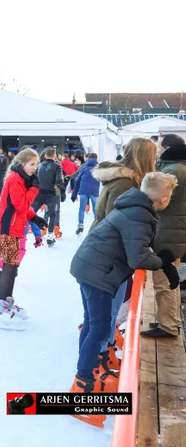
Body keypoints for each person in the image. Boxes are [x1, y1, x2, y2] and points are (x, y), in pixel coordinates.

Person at [69, 172, 178, 414]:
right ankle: (82, 384)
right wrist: (161, 262)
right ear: (164, 199)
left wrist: (161, 260)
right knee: (98, 328)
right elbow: (137, 256)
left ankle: (87, 370)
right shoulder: (139, 215)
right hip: (98, 273)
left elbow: (138, 247)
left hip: (90, 267)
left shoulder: (136, 207)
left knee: (92, 324)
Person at [0, 149, 48, 330]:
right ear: (22, 164)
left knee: (11, 268)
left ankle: (7, 302)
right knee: (9, 268)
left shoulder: (20, 179)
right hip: (7, 229)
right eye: (32, 165)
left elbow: (19, 206)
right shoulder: (15, 179)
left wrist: (34, 217)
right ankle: (0, 309)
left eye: (36, 165)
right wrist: (35, 189)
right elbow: (20, 205)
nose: (34, 169)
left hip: (14, 226)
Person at [144, 135, 186, 339]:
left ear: (167, 147)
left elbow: (159, 198)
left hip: (168, 232)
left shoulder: (173, 171)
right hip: (175, 231)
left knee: (164, 282)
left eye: (159, 146)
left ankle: (168, 325)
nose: (157, 149)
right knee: (171, 279)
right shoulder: (179, 168)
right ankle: (168, 319)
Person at [31, 147, 64, 245]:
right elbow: (59, 181)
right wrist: (62, 192)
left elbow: (33, 180)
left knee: (31, 213)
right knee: (52, 214)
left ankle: (28, 233)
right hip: (51, 194)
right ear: (54, 156)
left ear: (45, 155)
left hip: (39, 193)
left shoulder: (39, 166)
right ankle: (50, 235)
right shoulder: (57, 166)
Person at [71, 153, 101, 232]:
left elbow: (77, 180)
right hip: (94, 191)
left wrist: (74, 194)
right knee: (95, 210)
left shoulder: (84, 167)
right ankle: (96, 225)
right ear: (96, 159)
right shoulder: (98, 168)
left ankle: (80, 224)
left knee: (81, 209)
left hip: (83, 190)